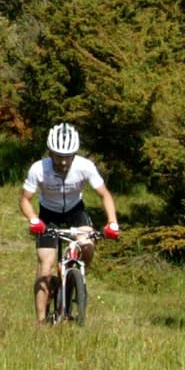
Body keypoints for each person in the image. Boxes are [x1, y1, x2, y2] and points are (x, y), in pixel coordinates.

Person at [20, 123, 120, 321]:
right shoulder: (39, 169)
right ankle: (40, 323)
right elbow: (24, 199)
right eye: (58, 156)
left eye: (67, 156)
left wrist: (112, 222)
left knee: (88, 246)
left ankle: (73, 282)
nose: (63, 162)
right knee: (45, 265)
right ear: (50, 152)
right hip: (48, 215)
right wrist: (33, 220)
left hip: (75, 211)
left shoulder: (85, 166)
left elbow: (104, 194)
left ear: (74, 154)